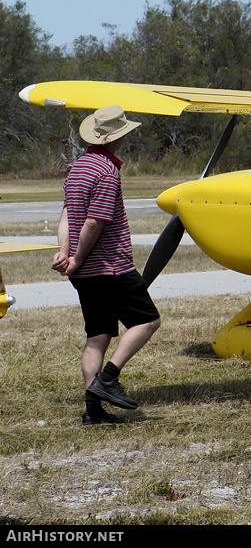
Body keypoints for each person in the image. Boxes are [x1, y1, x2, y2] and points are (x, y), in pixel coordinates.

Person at [52, 106, 162, 425]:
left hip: (83, 274)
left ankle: (93, 412)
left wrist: (66, 254)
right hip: (110, 267)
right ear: (119, 136)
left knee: (97, 336)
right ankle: (109, 379)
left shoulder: (77, 168)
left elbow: (67, 217)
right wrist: (80, 256)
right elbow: (94, 222)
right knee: (147, 321)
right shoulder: (106, 171)